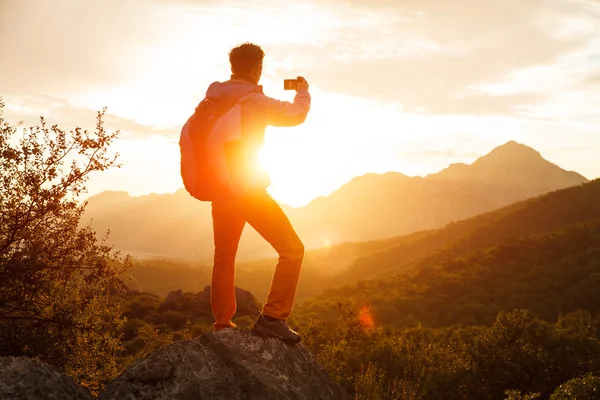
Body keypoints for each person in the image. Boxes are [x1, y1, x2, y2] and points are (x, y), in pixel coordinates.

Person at [207, 43, 311, 343]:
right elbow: (295, 114)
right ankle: (273, 317)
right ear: (256, 68)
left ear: (232, 66)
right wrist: (303, 91)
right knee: (292, 250)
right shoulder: (254, 100)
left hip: (220, 189)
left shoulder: (212, 100)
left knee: (224, 257)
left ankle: (223, 324)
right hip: (248, 189)